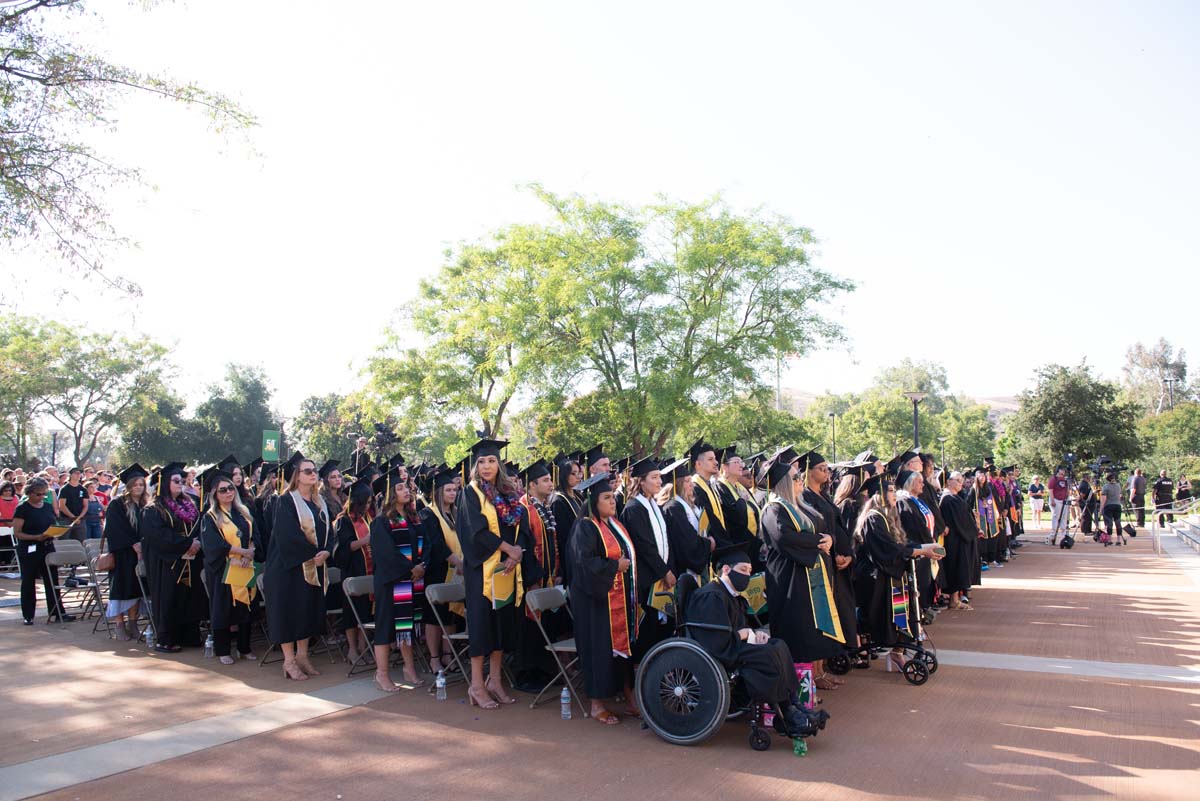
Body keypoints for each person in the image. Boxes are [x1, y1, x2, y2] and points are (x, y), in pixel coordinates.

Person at [687, 549, 825, 738]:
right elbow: (714, 639)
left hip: (735, 643)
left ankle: (793, 704)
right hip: (721, 650)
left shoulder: (731, 595)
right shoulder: (711, 595)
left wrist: (754, 634)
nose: (747, 575)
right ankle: (786, 712)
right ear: (726, 569)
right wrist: (743, 634)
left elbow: (741, 627)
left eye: (749, 571)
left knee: (778, 645)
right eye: (743, 570)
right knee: (768, 655)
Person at [759, 447, 844, 697]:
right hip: (789, 579)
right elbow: (785, 539)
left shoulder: (798, 506)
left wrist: (828, 539)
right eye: (795, 477)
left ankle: (813, 678)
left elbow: (816, 531)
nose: (800, 480)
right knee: (798, 630)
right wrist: (819, 542)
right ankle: (801, 689)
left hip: (807, 575)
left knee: (811, 627)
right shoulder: (773, 509)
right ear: (784, 483)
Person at [455, 438, 529, 710]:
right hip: (482, 573)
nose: (487, 466)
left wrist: (515, 554)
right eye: (482, 462)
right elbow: (475, 532)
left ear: (499, 464)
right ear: (475, 466)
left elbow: (521, 528)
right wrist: (508, 550)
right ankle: (476, 685)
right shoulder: (470, 493)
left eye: (492, 461)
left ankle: (495, 681)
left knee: (500, 626)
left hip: (506, 570)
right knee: (481, 627)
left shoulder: (509, 494)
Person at [567, 472, 638, 724]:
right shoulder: (585, 527)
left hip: (616, 598)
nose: (612, 501)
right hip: (594, 602)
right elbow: (585, 564)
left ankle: (628, 696)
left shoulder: (613, 524)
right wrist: (615, 566)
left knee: (621, 650)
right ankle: (597, 704)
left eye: (612, 497)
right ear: (593, 502)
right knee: (598, 649)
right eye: (606, 498)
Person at [855, 474, 943, 672]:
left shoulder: (888, 517)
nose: (894, 494)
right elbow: (888, 550)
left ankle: (898, 651)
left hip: (891, 576)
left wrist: (923, 547)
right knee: (888, 617)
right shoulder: (873, 519)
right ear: (879, 495)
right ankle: (891, 648)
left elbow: (902, 544)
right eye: (890, 491)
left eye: (894, 490)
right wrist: (920, 551)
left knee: (907, 611)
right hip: (876, 579)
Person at [265, 453, 333, 681]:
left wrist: (327, 551)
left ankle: (302, 656)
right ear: (297, 476)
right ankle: (289, 661)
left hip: (313, 565)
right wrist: (314, 554)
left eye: (315, 470)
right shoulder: (285, 501)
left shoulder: (319, 502)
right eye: (308, 471)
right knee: (289, 612)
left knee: (306, 611)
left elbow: (329, 532)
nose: (313, 474)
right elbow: (288, 536)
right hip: (287, 568)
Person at [796, 449, 857, 687]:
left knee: (830, 615)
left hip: (834, 561)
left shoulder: (824, 496)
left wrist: (847, 553)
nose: (826, 472)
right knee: (819, 617)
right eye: (821, 469)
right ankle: (815, 672)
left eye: (827, 468)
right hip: (820, 563)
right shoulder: (805, 498)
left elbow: (838, 529)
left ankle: (821, 669)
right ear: (809, 472)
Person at [368, 469, 427, 691]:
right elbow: (386, 553)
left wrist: (422, 566)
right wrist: (411, 568)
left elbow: (426, 544)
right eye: (399, 488)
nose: (405, 491)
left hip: (411, 579)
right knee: (385, 628)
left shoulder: (414, 519)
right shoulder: (381, 522)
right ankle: (381, 674)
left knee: (407, 626)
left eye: (406, 487)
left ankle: (409, 669)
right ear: (390, 494)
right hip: (390, 582)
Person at [140, 463, 205, 651]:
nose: (180, 484)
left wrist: (196, 543)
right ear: (164, 483)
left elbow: (200, 527)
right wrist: (186, 544)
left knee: (190, 597)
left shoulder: (190, 504)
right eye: (176, 481)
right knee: (169, 597)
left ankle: (189, 636)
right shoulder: (153, 509)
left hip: (191, 559)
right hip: (167, 561)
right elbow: (158, 535)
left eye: (182, 481)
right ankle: (166, 639)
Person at [512, 459, 564, 692]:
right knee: (528, 628)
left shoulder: (543, 507)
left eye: (550, 479)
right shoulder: (523, 509)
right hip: (530, 581)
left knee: (544, 627)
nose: (551, 483)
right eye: (545, 480)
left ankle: (542, 671)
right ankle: (525, 676)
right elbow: (524, 547)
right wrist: (532, 579)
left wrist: (556, 571)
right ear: (532, 484)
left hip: (547, 577)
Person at [619, 457, 677, 663]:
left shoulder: (654, 505)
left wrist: (669, 570)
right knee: (649, 631)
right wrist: (665, 572)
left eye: (659, 477)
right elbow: (645, 546)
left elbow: (667, 541)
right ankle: (646, 671)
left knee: (664, 629)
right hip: (646, 580)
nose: (659, 481)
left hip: (661, 576)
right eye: (654, 477)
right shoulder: (633, 509)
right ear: (641, 481)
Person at [198, 471, 258, 664]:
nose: (228, 492)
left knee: (246, 607)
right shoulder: (210, 517)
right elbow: (213, 544)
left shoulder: (244, 512)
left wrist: (250, 551)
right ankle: (223, 650)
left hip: (245, 565)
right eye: (222, 490)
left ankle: (244, 648)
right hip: (223, 568)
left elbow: (254, 535)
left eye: (231, 488)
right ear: (215, 494)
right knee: (222, 609)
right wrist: (239, 553)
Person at [418, 467, 464, 673]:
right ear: (438, 492)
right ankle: (434, 658)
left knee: (451, 614)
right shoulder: (428, 514)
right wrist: (457, 562)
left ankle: (448, 654)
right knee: (434, 616)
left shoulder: (456, 513)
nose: (453, 493)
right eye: (448, 490)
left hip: (457, 571)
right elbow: (437, 544)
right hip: (437, 571)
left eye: (454, 490)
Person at [11, 477, 72, 624]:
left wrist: (56, 531)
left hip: (47, 546)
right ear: (30, 492)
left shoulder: (47, 506)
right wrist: (36, 537)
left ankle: (57, 612)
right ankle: (28, 615)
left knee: (52, 580)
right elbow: (17, 533)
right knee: (28, 581)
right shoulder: (22, 508)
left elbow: (52, 523)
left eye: (44, 494)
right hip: (29, 548)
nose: (41, 497)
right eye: (38, 494)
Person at [104, 464, 150, 639]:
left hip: (141, 553)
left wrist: (143, 544)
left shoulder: (145, 504)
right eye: (135, 484)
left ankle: (133, 622)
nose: (139, 487)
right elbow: (114, 529)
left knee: (136, 590)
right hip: (123, 554)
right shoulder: (117, 504)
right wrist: (132, 544)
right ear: (128, 486)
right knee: (121, 589)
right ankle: (119, 624)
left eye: (141, 484)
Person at [657, 456, 716, 578]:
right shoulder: (673, 507)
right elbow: (686, 541)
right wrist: (707, 543)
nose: (692, 485)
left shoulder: (686, 504)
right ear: (678, 484)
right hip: (684, 570)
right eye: (687, 481)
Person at [896, 469, 938, 617]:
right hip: (916, 548)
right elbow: (914, 527)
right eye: (919, 481)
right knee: (917, 582)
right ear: (910, 483)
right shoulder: (903, 502)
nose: (922, 484)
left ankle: (923, 609)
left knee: (925, 581)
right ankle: (917, 613)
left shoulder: (918, 501)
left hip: (926, 546)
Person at [938, 472, 979, 609]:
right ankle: (954, 600)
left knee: (958, 568)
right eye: (957, 480)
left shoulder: (954, 497)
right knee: (955, 568)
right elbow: (961, 519)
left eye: (961, 480)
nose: (961, 483)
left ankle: (955, 599)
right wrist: (973, 528)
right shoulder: (948, 499)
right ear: (949, 481)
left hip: (959, 537)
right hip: (955, 539)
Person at [689, 440, 733, 560]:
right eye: (710, 459)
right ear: (698, 464)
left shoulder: (709, 485)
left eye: (715, 459)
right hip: (712, 549)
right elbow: (710, 522)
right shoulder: (695, 489)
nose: (716, 462)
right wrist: (726, 545)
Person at [550, 456, 583, 586]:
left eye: (578, 473)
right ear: (564, 475)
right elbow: (562, 537)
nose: (578, 477)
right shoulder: (559, 501)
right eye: (573, 473)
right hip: (570, 558)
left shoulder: (577, 496)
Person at [56, 466, 87, 542]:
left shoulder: (83, 489)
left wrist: (79, 517)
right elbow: (62, 506)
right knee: (65, 542)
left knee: (81, 542)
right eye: (76, 473)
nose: (78, 475)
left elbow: (85, 505)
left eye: (80, 473)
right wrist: (73, 517)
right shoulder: (64, 489)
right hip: (66, 519)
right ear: (71, 475)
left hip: (80, 520)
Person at [1099, 472, 1126, 546]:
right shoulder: (1118, 486)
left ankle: (1110, 539)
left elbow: (1104, 499)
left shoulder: (1105, 487)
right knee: (1118, 522)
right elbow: (1119, 496)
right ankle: (1118, 540)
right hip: (1117, 505)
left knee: (1109, 523)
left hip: (1108, 506)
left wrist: (1101, 509)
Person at [1046, 468, 1071, 545]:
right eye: (1060, 473)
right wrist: (1052, 500)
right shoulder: (1053, 479)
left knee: (1064, 517)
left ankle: (1063, 535)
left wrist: (1067, 496)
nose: (1062, 475)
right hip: (1056, 499)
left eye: (1063, 473)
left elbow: (1067, 490)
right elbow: (1050, 490)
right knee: (1056, 516)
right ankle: (1053, 534)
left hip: (1063, 500)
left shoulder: (1065, 480)